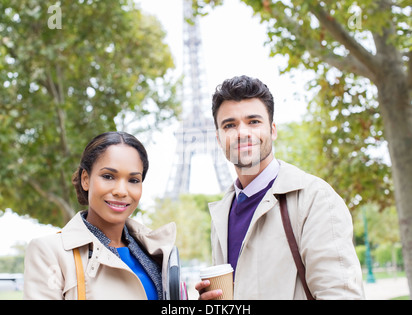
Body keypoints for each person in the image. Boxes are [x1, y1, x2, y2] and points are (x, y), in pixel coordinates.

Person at [196, 75, 364, 300]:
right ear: (218, 138)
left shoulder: (315, 199)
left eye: (254, 122)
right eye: (230, 125)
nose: (242, 133)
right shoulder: (223, 213)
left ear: (272, 130)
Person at [24, 131, 176, 300]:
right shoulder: (49, 252)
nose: (121, 191)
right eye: (108, 176)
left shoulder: (156, 252)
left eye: (133, 180)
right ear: (85, 179)